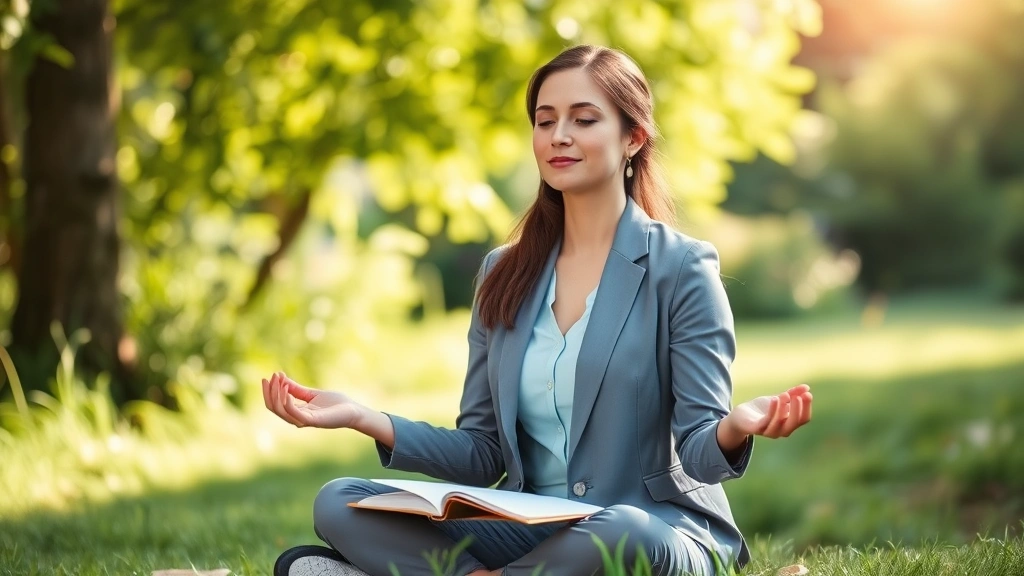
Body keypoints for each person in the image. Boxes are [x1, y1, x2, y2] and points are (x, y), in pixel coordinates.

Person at [264, 44, 813, 576]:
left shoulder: (683, 268)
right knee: (340, 501)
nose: (560, 136)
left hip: (652, 528)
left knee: (621, 531)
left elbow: (698, 454)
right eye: (545, 120)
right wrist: (363, 417)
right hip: (530, 526)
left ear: (634, 138)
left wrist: (735, 427)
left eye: (584, 119)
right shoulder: (504, 272)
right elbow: (482, 455)